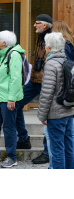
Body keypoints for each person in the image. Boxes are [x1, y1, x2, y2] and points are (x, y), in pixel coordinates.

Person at [0, 30, 25, 168]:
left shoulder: (14, 55)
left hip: (8, 97)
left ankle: (12, 157)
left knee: (9, 127)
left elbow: (16, 78)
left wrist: (12, 98)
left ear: (4, 42)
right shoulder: (1, 55)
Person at [15, 14, 52, 165]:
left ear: (45, 25)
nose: (34, 25)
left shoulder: (51, 39)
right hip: (34, 81)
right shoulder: (40, 39)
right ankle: (23, 139)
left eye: (37, 23)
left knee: (49, 116)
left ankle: (47, 152)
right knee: (15, 103)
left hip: (47, 82)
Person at [38, 32, 74, 169]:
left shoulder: (51, 64)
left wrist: (42, 115)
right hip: (69, 111)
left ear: (49, 47)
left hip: (55, 114)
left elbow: (46, 93)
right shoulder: (67, 61)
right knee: (69, 148)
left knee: (57, 150)